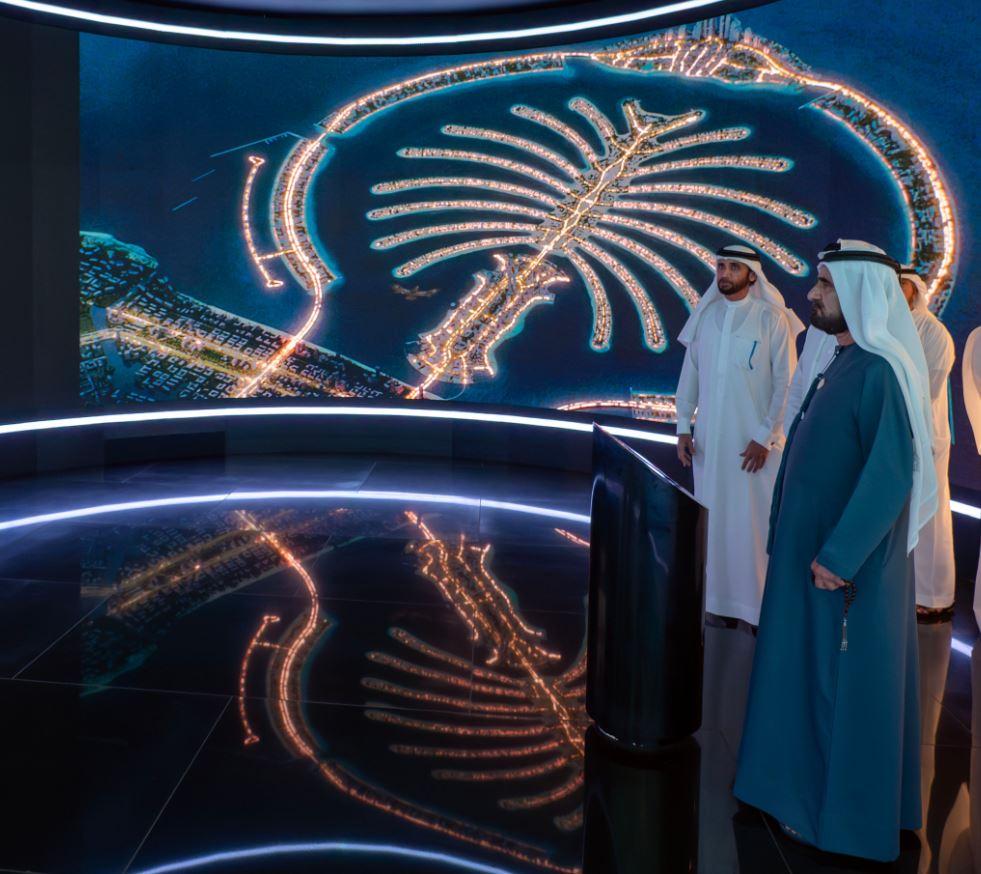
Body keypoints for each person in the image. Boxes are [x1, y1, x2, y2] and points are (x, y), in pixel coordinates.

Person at [734, 240, 937, 862]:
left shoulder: (879, 372)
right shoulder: (844, 361)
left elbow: (890, 477)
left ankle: (833, 818)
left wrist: (839, 557)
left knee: (835, 687)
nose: (812, 294)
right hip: (813, 558)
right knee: (803, 675)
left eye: (824, 284)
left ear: (856, 293)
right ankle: (788, 793)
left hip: (841, 571)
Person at [675, 244, 803, 625]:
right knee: (712, 521)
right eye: (721, 266)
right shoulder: (706, 317)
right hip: (710, 447)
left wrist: (765, 436)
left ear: (752, 274)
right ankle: (714, 602)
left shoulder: (771, 320)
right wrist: (683, 426)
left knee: (751, 526)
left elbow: (786, 384)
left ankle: (755, 608)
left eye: (734, 267)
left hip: (754, 449)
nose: (725, 273)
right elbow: (690, 375)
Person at [900, 267, 956, 619]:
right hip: (896, 436)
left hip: (926, 436)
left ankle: (934, 595)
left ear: (916, 290)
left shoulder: (933, 332)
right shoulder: (888, 328)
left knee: (930, 516)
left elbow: (929, 391)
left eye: (902, 284)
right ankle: (904, 588)